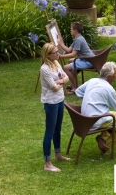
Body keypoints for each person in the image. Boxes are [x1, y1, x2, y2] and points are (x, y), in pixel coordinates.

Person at [75, 61, 116, 154]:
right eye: (115, 73)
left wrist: (91, 99)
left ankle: (102, 138)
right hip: (95, 120)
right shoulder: (108, 89)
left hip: (84, 118)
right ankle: (106, 145)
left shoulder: (92, 80)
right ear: (109, 76)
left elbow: (78, 91)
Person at [40, 42, 71, 172]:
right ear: (48, 55)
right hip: (51, 103)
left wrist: (60, 81)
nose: (58, 54)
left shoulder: (56, 63)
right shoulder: (45, 69)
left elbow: (67, 77)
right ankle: (47, 163)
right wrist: (60, 82)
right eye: (55, 52)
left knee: (57, 128)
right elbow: (53, 87)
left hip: (60, 100)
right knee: (50, 132)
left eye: (57, 51)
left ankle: (58, 154)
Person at [57, 21, 94, 93]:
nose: (70, 30)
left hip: (89, 61)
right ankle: (73, 83)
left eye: (71, 29)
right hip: (86, 59)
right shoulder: (78, 38)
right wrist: (60, 43)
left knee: (65, 67)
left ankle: (75, 86)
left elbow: (73, 54)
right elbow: (68, 50)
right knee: (71, 61)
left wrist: (61, 56)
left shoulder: (78, 40)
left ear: (75, 30)